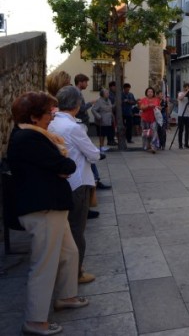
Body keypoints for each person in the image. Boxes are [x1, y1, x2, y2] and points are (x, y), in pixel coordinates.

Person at [7, 91, 89, 336]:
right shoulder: (29, 139)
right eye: (49, 113)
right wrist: (62, 166)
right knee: (45, 264)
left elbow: (61, 166)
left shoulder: (36, 136)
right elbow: (66, 165)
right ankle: (35, 320)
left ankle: (66, 296)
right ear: (34, 117)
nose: (53, 117)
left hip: (52, 205)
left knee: (69, 252)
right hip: (42, 209)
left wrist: (61, 166)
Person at [50, 86, 102, 285]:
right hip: (78, 182)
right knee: (77, 229)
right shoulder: (73, 127)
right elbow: (93, 154)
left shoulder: (52, 122)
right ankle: (76, 272)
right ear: (77, 104)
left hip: (61, 182)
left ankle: (66, 270)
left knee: (66, 229)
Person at [74, 74, 110, 198]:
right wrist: (91, 103)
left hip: (82, 125)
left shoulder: (78, 93)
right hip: (81, 125)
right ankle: (95, 180)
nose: (87, 84)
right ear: (80, 82)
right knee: (88, 153)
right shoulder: (77, 94)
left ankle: (95, 179)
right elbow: (80, 109)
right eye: (86, 82)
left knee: (88, 154)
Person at [91, 88, 114, 152]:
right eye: (107, 93)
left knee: (105, 134)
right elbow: (93, 110)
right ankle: (101, 147)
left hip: (108, 120)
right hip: (101, 120)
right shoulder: (99, 101)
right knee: (101, 134)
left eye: (108, 93)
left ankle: (103, 146)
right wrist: (98, 116)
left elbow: (110, 108)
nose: (108, 94)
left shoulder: (108, 100)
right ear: (102, 94)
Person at [139, 86, 160, 153]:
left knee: (154, 132)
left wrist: (159, 108)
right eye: (149, 91)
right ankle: (147, 146)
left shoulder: (156, 99)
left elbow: (158, 106)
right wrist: (148, 106)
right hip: (145, 118)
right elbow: (142, 107)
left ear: (153, 93)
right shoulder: (143, 99)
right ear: (146, 93)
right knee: (146, 133)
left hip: (153, 119)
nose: (150, 93)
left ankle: (154, 147)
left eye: (151, 92)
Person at [177, 83, 189, 149]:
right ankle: (180, 144)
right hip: (181, 114)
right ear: (184, 88)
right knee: (181, 130)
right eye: (187, 87)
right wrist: (186, 92)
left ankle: (186, 143)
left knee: (187, 130)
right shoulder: (181, 93)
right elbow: (180, 98)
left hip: (188, 115)